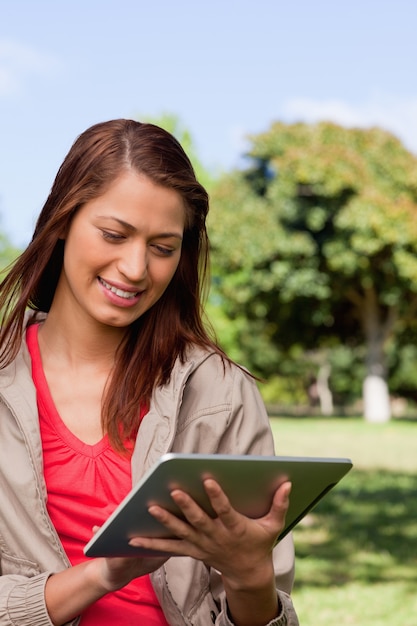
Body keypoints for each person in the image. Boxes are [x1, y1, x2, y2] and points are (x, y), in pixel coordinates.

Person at [0, 119, 299, 626]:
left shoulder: (221, 392)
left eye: (163, 248)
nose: (137, 268)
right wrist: (101, 575)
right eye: (114, 235)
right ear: (62, 221)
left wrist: (251, 577)